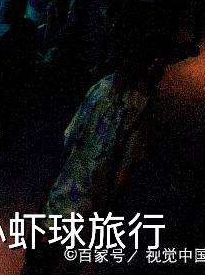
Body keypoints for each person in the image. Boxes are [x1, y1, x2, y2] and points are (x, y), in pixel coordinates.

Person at [42, 58, 152, 227]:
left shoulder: (99, 87)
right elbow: (126, 166)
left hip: (65, 188)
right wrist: (112, 209)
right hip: (92, 200)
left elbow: (69, 136)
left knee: (48, 236)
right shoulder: (139, 105)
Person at [0, 0, 45, 114]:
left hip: (11, 96)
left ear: (12, 8)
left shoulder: (4, 42)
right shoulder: (30, 26)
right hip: (28, 87)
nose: (2, 8)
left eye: (6, 3)